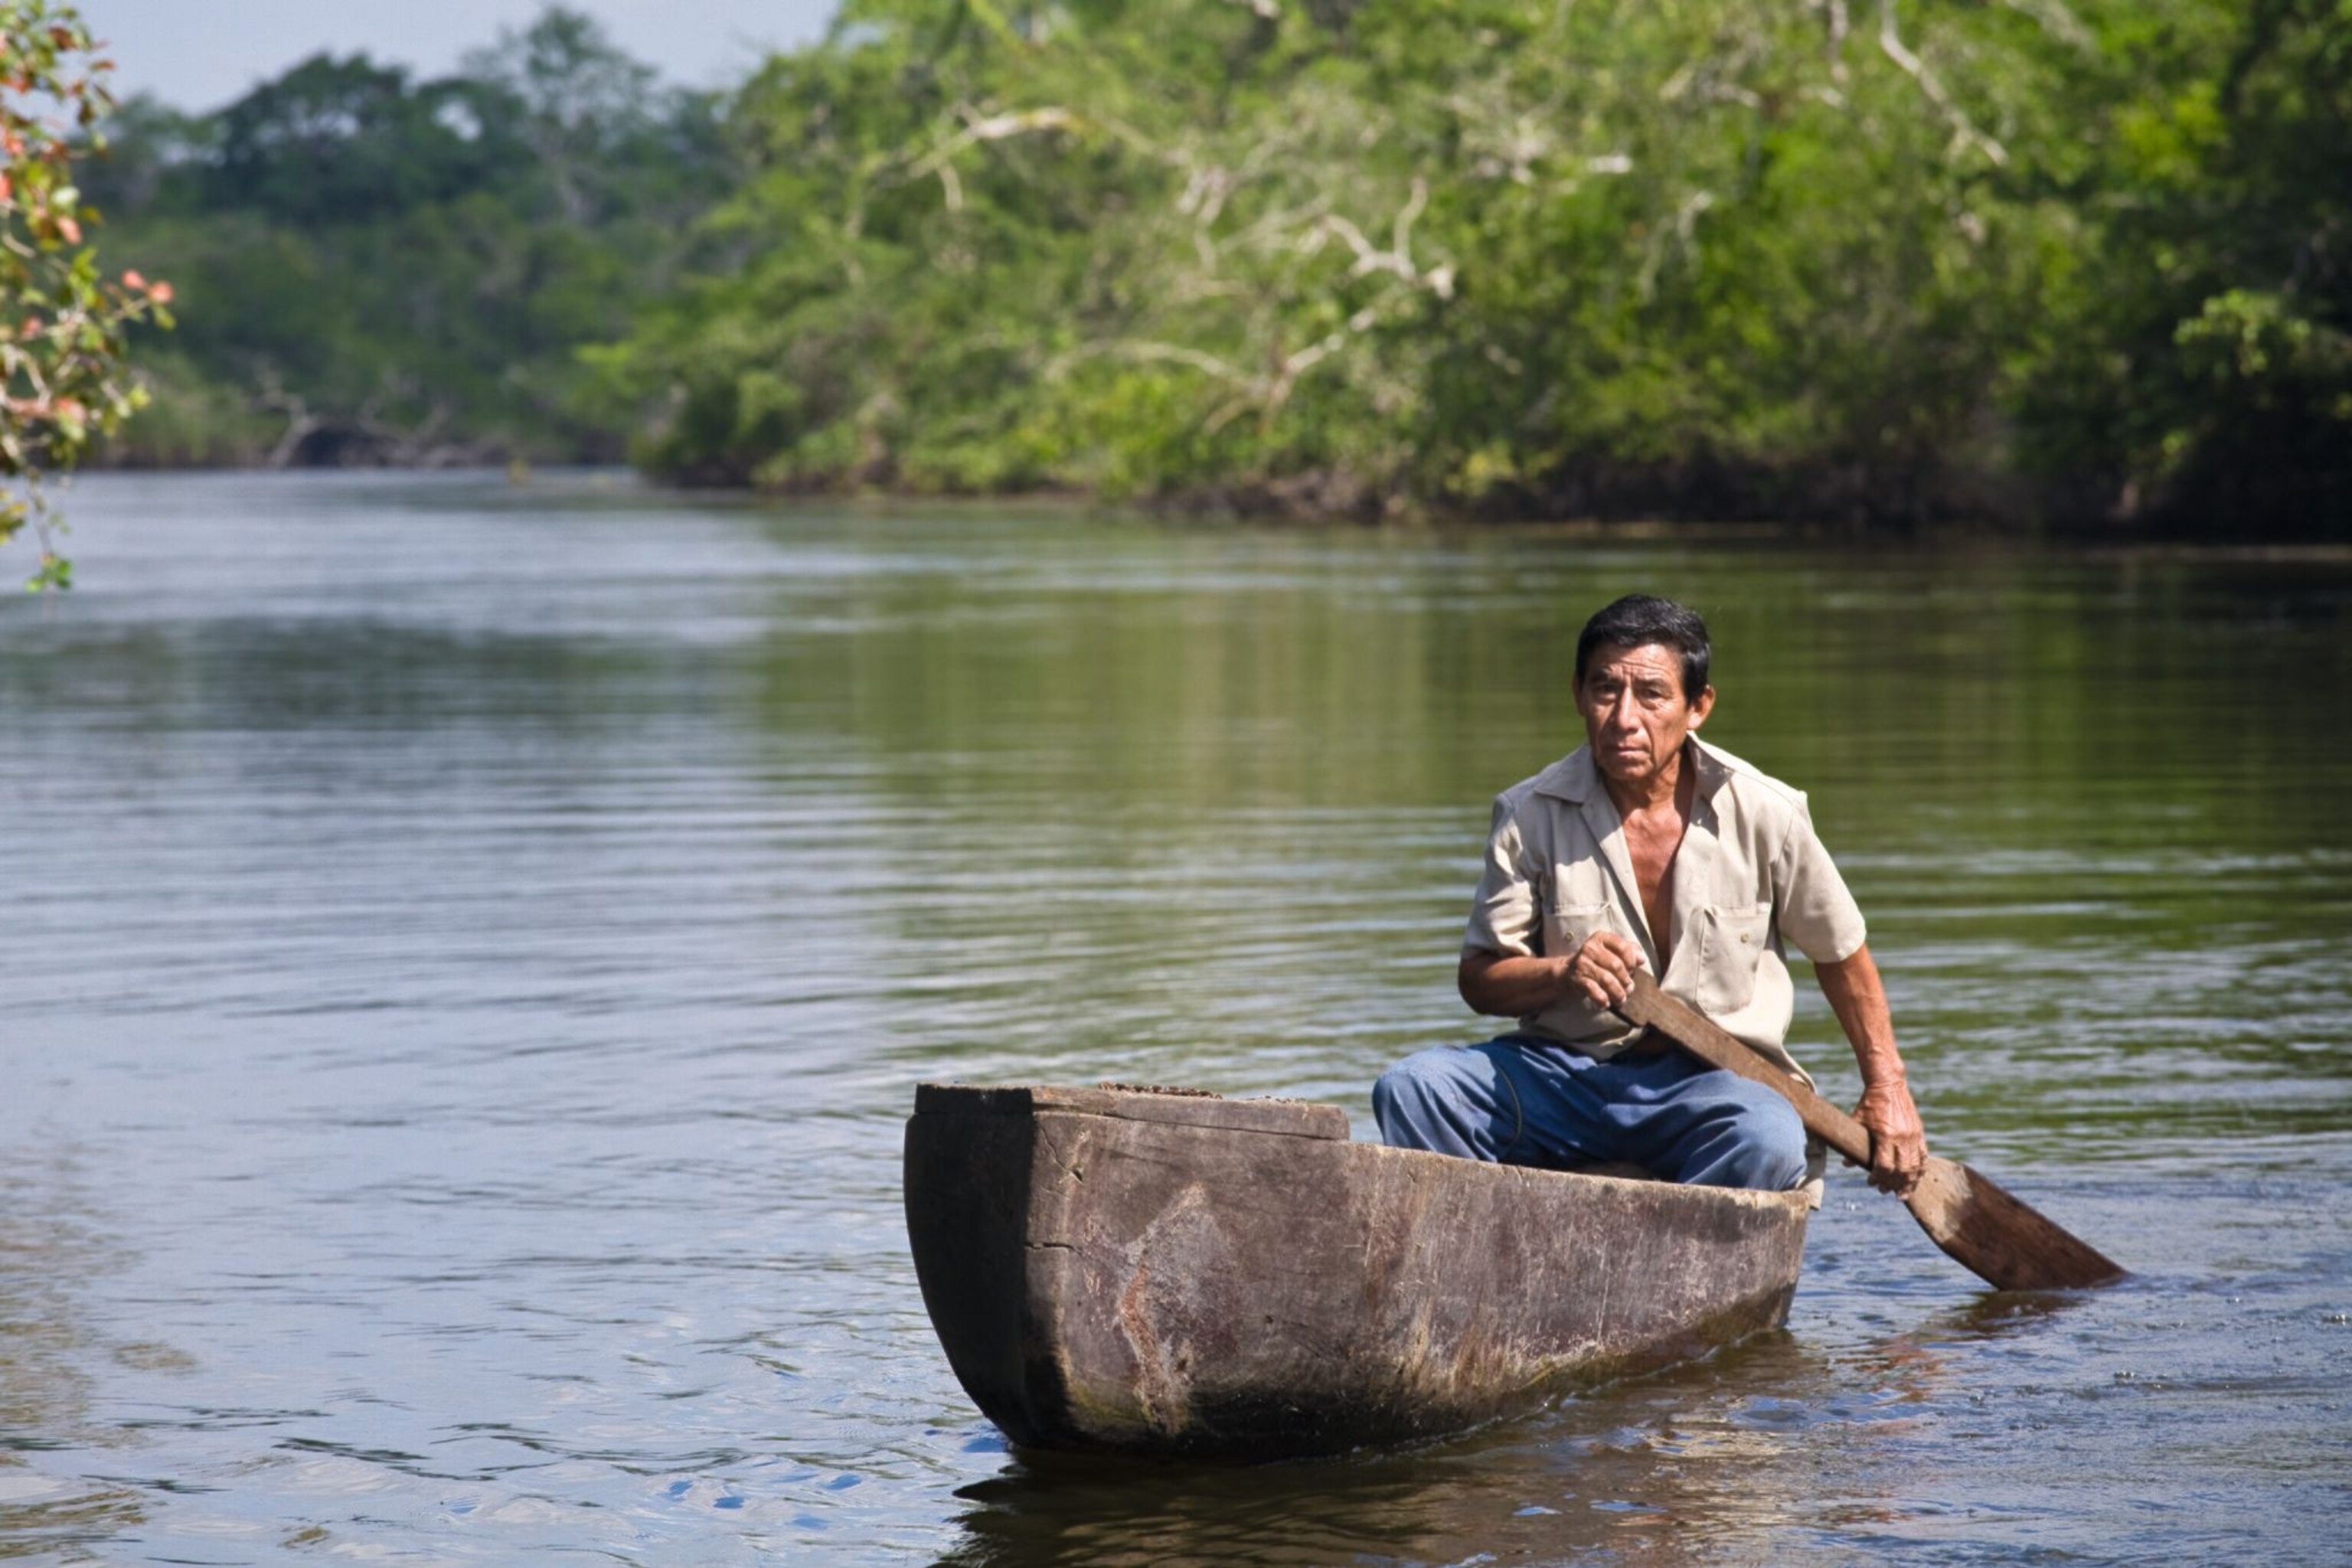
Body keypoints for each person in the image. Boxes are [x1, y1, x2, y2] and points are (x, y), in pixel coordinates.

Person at [1373, 594, 1927, 1197]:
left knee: (1768, 1137)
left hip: (1712, 1085)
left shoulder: (1766, 812)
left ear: (1698, 707)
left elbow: (1841, 954)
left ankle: (1682, 1262)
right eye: (1606, 690)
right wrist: (1564, 972)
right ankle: (1489, 1249)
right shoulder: (1527, 814)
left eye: (1652, 695)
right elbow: (1479, 979)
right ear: (1579, 695)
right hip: (1562, 1079)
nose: (1624, 718)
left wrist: (1887, 1089)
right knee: (1415, 1087)